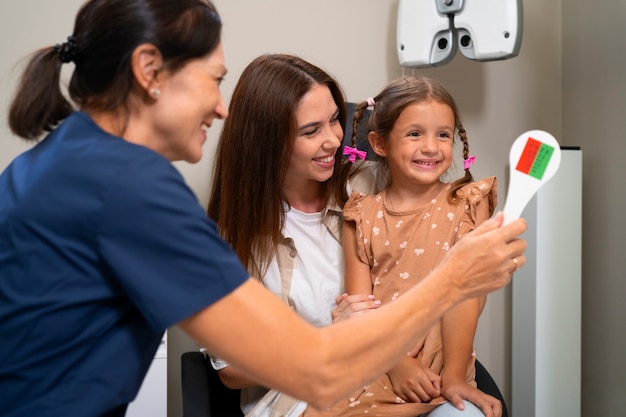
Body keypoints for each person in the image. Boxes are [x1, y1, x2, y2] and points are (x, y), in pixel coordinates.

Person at [0, 1, 528, 417]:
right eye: (214, 79)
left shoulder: (63, 159)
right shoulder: (127, 188)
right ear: (149, 71)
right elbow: (312, 372)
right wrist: (455, 279)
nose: (222, 106)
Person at [303, 77, 502, 417]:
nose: (431, 147)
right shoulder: (360, 215)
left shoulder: (468, 203)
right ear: (380, 144)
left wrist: (454, 376)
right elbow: (361, 309)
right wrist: (395, 365)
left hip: (443, 365)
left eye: (443, 134)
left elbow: (468, 296)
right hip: (378, 364)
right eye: (414, 134)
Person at [207, 53, 384, 416]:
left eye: (335, 119)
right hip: (297, 396)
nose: (334, 139)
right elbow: (231, 370)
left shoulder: (366, 187)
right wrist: (329, 339)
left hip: (384, 374)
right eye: (311, 131)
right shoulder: (230, 239)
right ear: (266, 143)